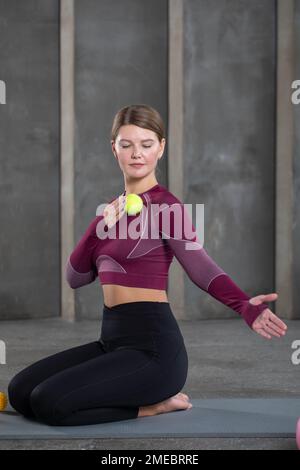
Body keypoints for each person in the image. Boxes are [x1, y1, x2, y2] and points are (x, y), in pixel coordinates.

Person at [8, 104, 288, 426]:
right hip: (112, 342)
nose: (136, 154)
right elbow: (74, 277)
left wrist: (244, 305)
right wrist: (98, 225)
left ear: (161, 148)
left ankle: (151, 407)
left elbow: (201, 267)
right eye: (126, 145)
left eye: (146, 144)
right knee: (20, 392)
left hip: (154, 351)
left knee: (48, 403)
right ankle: (137, 397)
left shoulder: (167, 208)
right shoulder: (109, 213)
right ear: (114, 149)